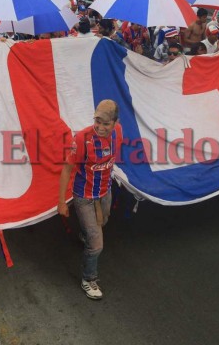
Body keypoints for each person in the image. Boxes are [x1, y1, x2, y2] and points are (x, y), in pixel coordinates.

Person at [58, 100, 123, 300]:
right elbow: (67, 169)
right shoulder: (82, 139)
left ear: (115, 123)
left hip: (105, 192)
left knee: (102, 222)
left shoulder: (119, 133)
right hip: (84, 197)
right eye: (97, 121)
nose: (100, 127)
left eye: (105, 123)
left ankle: (86, 235)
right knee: (97, 245)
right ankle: (88, 279)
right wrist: (61, 202)